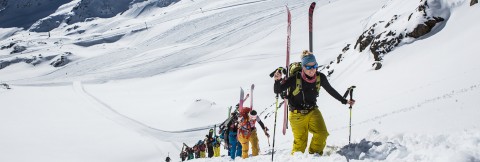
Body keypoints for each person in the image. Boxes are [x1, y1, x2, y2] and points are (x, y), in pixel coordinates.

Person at [273, 50, 355, 155]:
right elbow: (278, 90)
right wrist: (277, 81)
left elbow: (330, 90)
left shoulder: (320, 77)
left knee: (322, 134)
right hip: (296, 114)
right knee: (300, 144)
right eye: (308, 67)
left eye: (314, 66)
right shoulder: (295, 78)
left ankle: (314, 156)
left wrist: (345, 101)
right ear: (303, 67)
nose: (312, 70)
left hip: (313, 110)